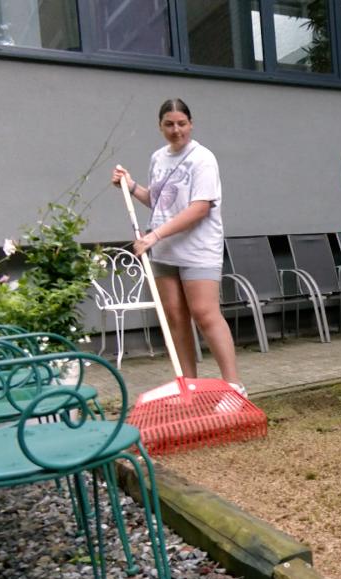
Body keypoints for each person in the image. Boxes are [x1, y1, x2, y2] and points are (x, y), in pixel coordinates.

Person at [111, 98, 245, 396]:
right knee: (174, 316)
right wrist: (131, 187)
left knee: (204, 314)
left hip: (198, 248)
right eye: (169, 124)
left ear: (191, 124)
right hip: (163, 251)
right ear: (160, 126)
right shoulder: (158, 158)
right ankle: (188, 388)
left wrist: (154, 236)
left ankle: (235, 387)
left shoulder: (203, 159)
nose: (176, 130)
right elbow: (161, 203)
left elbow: (199, 208)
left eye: (181, 124)